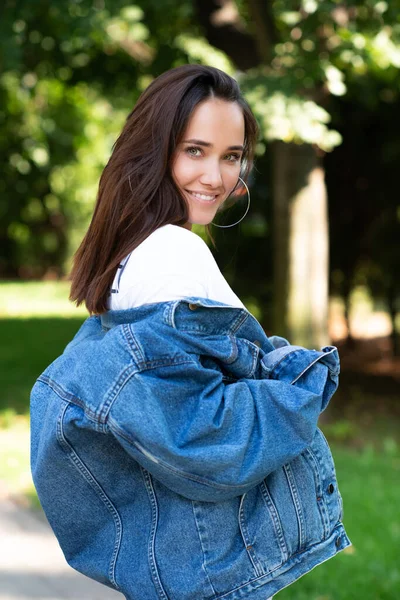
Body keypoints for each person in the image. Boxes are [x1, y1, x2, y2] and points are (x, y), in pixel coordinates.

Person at [30, 65, 351, 600]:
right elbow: (200, 436)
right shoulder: (172, 254)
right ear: (152, 150)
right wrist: (301, 387)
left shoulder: (132, 257)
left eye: (231, 156)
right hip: (215, 570)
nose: (216, 177)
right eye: (194, 150)